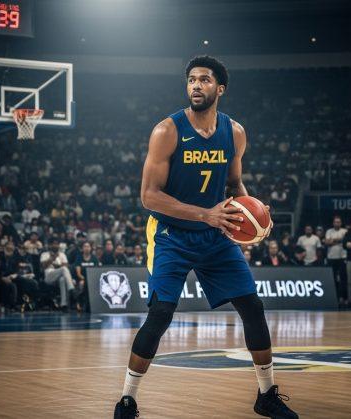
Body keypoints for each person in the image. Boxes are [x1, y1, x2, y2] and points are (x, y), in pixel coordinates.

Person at [114, 56, 297, 419]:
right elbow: (149, 196)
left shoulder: (236, 133)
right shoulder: (167, 131)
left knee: (253, 308)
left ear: (220, 88)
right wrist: (204, 213)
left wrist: (253, 214)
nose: (196, 85)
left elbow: (233, 185)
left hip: (216, 235)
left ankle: (266, 395)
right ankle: (127, 399)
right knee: (161, 313)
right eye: (191, 80)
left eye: (204, 80)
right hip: (172, 234)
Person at [40, 237, 76, 312]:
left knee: (63, 279)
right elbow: (43, 266)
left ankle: (64, 305)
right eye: (53, 244)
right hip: (49, 276)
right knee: (63, 269)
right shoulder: (45, 254)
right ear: (50, 245)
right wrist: (52, 258)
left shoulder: (62, 255)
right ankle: (71, 289)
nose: (55, 245)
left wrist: (56, 265)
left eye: (57, 244)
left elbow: (66, 266)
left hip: (60, 276)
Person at [324, 216, 348, 303]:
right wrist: (339, 240)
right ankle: (333, 297)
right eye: (335, 222)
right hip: (331, 258)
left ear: (341, 223)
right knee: (332, 279)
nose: (337, 223)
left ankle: (343, 297)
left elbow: (344, 240)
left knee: (343, 279)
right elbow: (327, 243)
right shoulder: (329, 231)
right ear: (333, 223)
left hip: (342, 257)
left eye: (338, 222)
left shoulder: (345, 231)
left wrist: (332, 240)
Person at [74, 241, 100, 312]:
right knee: (82, 284)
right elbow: (78, 273)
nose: (86, 248)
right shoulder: (79, 258)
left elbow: (98, 271)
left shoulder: (94, 258)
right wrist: (86, 279)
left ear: (91, 248)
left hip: (93, 280)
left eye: (88, 246)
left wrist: (91, 279)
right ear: (82, 248)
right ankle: (79, 303)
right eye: (85, 246)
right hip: (82, 279)